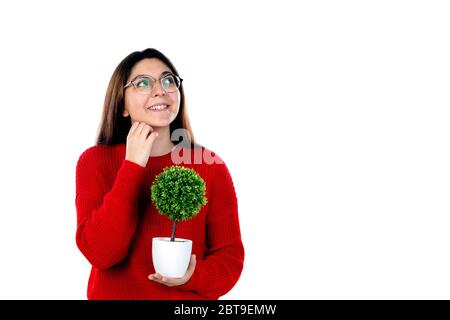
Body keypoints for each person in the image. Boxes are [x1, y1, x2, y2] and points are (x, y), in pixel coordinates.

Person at [75, 48, 244, 299]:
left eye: (168, 80)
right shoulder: (95, 161)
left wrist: (192, 276)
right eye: (143, 83)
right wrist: (132, 167)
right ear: (122, 105)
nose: (160, 90)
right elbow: (102, 254)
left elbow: (229, 261)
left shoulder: (209, 166)